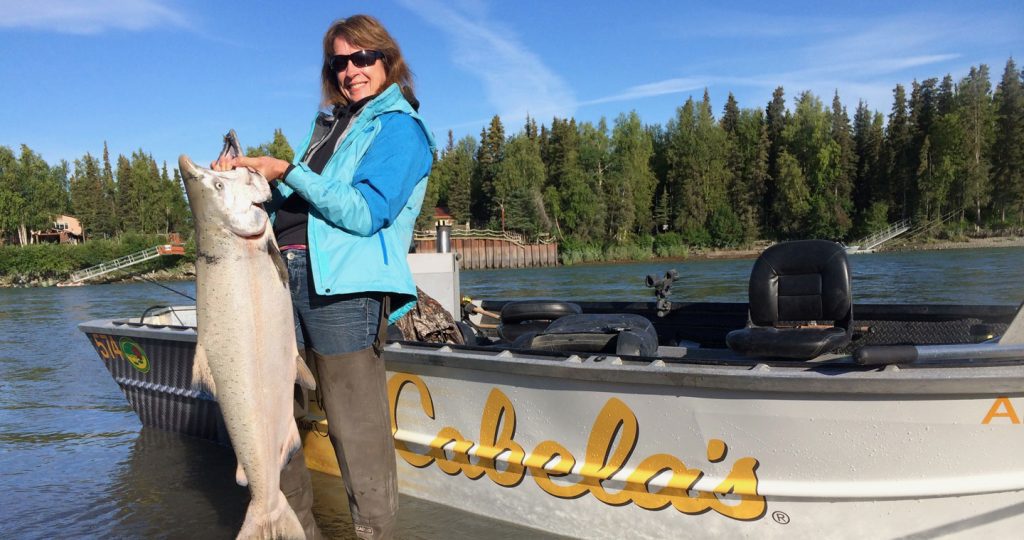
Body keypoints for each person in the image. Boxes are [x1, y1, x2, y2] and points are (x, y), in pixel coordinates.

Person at [214, 14, 434, 540]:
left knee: (357, 431)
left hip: (345, 294)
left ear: (387, 61)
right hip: (279, 281)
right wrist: (248, 180)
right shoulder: (332, 126)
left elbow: (364, 212)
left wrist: (287, 169)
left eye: (363, 58)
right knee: (274, 423)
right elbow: (299, 203)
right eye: (340, 61)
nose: (351, 70)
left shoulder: (400, 129)